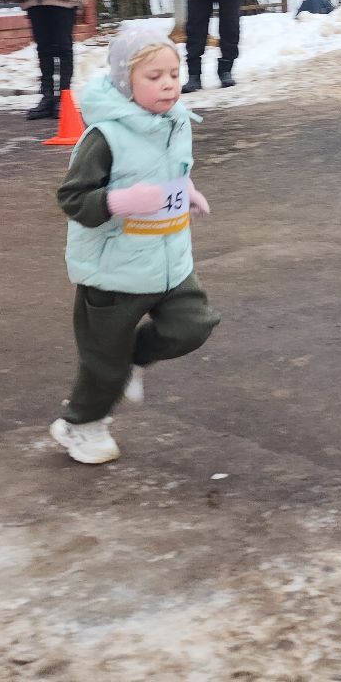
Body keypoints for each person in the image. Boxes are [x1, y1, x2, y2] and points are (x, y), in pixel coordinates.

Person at [50, 23, 218, 464]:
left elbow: (171, 170)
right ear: (127, 82)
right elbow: (72, 198)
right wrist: (119, 200)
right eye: (153, 76)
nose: (168, 84)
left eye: (173, 73)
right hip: (114, 270)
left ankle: (135, 359)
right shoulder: (103, 137)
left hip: (170, 260)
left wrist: (188, 191)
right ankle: (80, 425)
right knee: (103, 364)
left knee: (192, 324)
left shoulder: (176, 121)